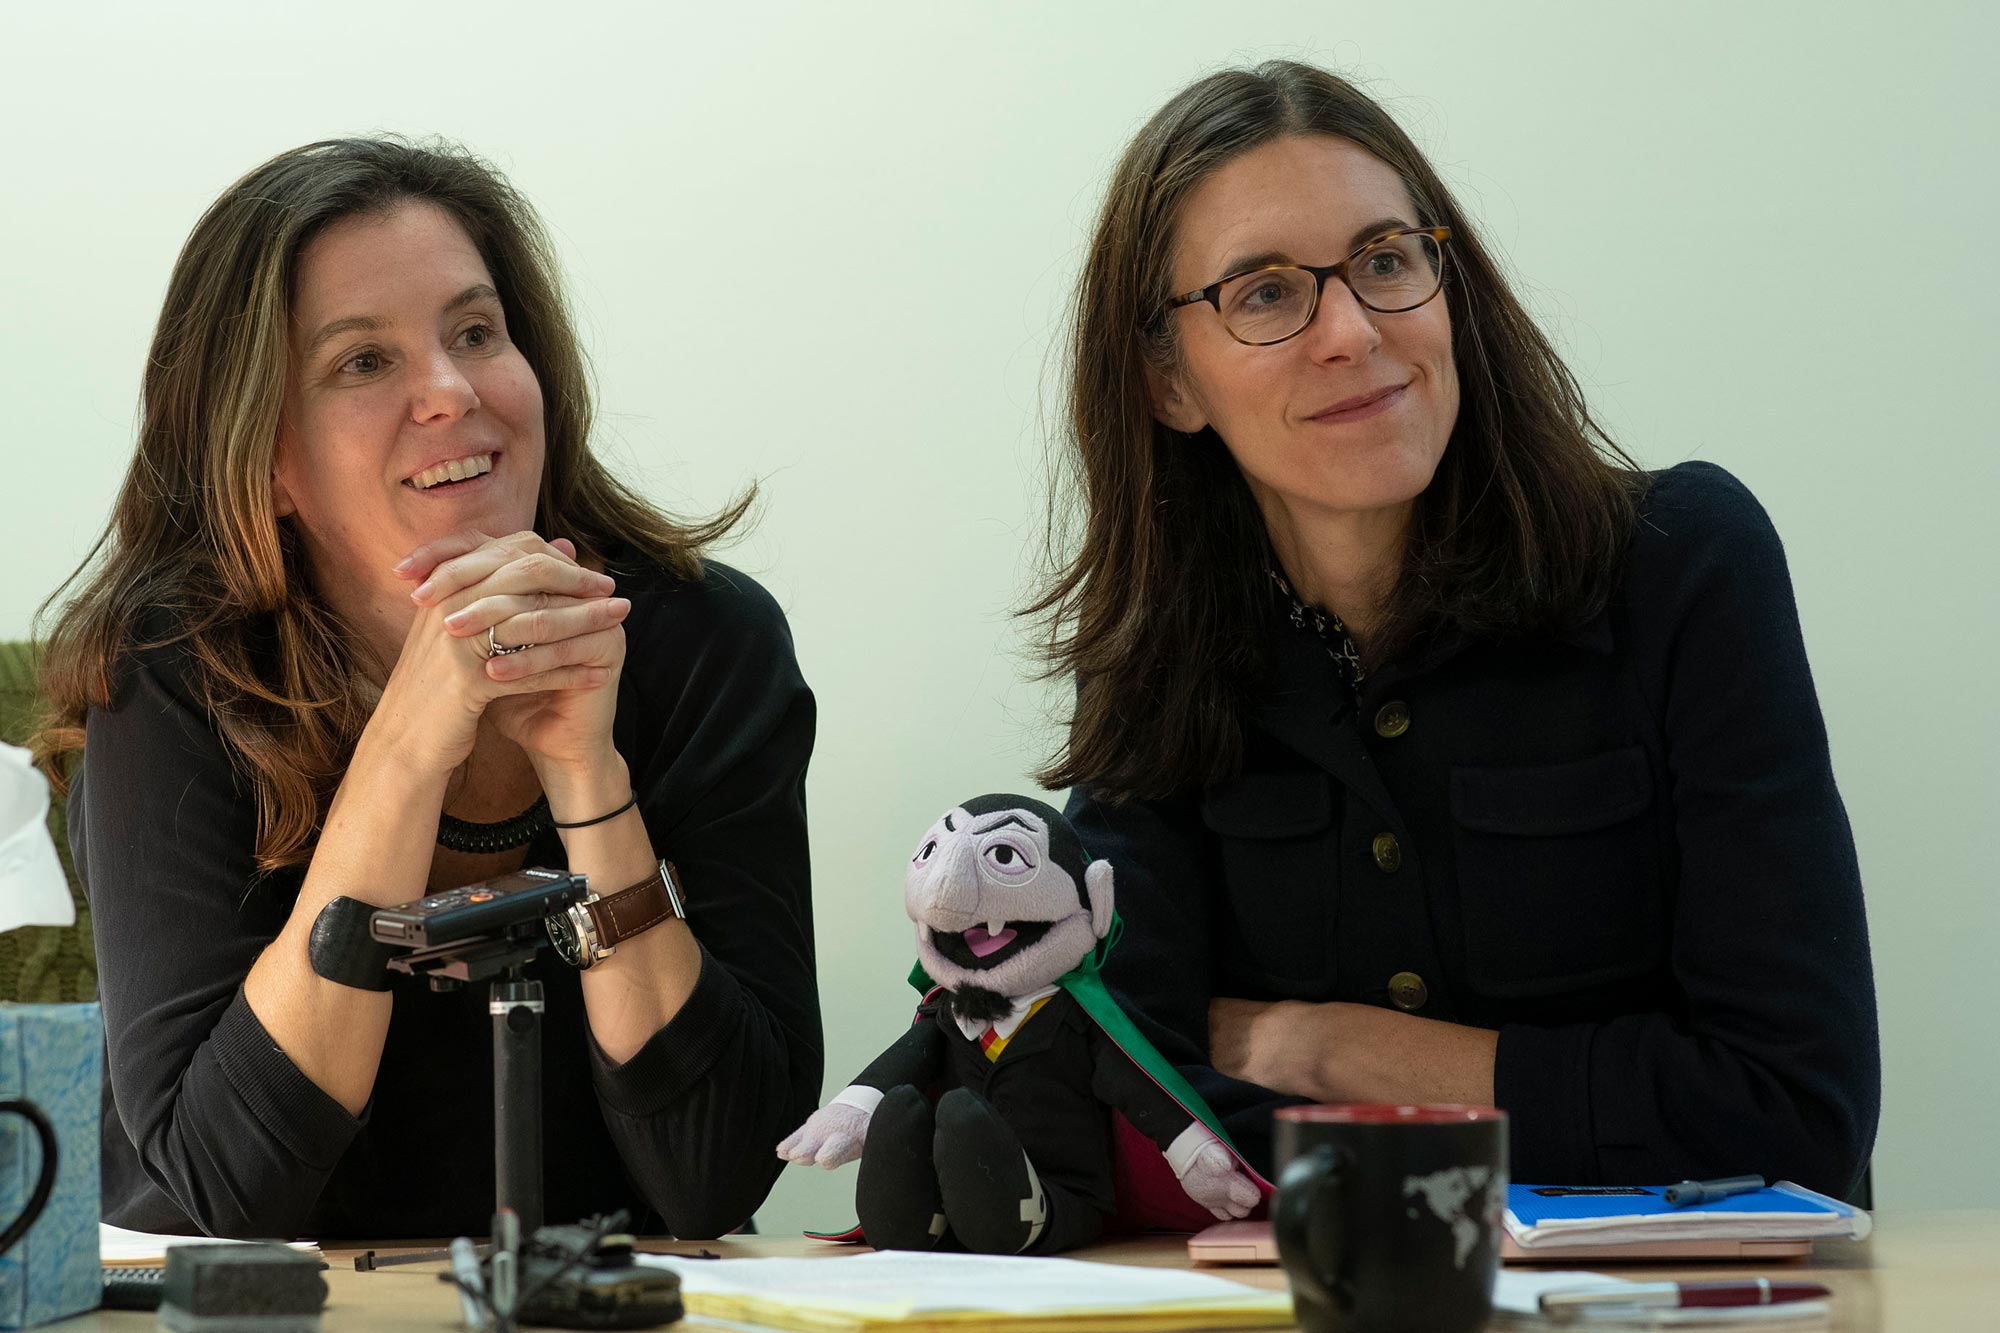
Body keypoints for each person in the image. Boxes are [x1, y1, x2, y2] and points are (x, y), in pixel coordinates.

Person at [1030, 62, 1878, 1197]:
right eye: (1265, 293)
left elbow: (1793, 1115)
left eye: (1383, 261)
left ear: (1445, 289)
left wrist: (1325, 1050)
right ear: (1167, 381)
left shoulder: (1682, 562)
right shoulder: (1157, 645)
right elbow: (1119, 1087)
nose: (1348, 330)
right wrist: (1581, 1098)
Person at [31, 138, 821, 1240]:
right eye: (363, 362)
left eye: (474, 333)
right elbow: (226, 1186)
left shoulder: (702, 642)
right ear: (264, 457)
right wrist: (408, 748)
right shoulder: (172, 671)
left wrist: (586, 774)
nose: (451, 393)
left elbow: (716, 1174)